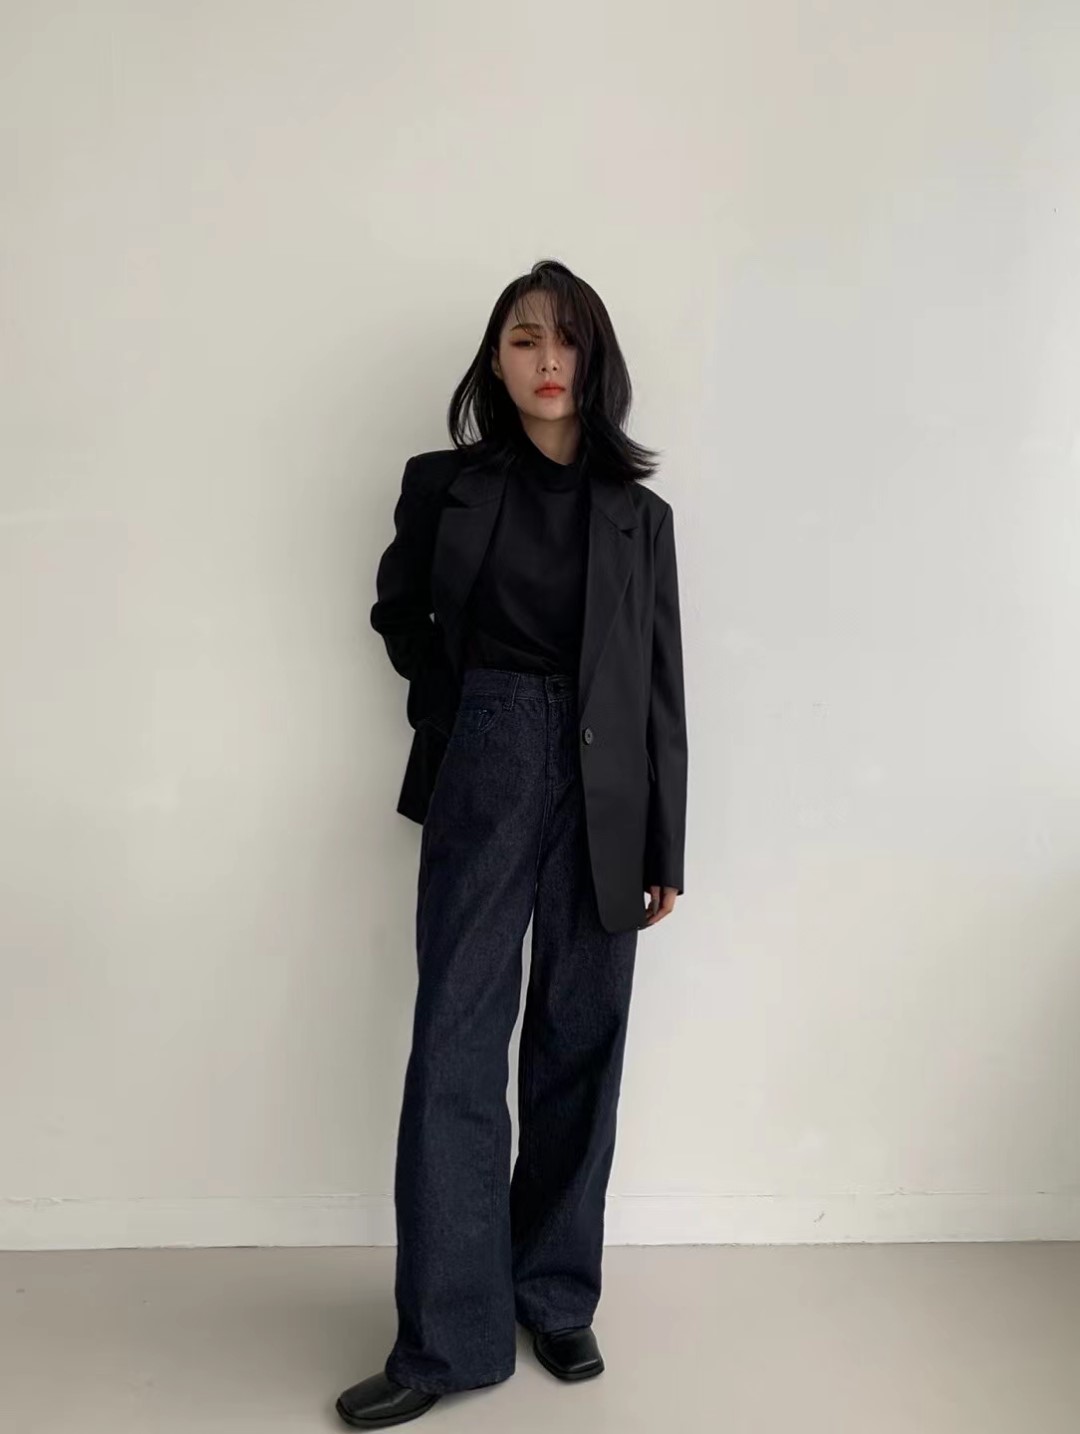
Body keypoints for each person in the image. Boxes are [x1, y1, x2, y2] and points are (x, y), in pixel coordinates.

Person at [336, 259, 687, 1428]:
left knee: (582, 1037)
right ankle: (448, 1339)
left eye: (568, 339)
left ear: (596, 359)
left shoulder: (640, 517)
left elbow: (659, 688)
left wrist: (665, 842)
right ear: (496, 357)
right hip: (487, 756)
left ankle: (554, 1294)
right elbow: (398, 611)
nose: (548, 359)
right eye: (526, 337)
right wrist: (461, 709)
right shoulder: (443, 485)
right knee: (455, 1043)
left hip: (609, 787)